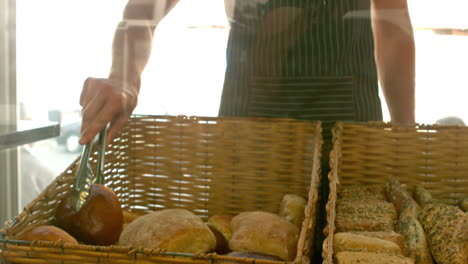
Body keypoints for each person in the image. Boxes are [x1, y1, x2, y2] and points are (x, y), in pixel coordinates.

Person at [78, 0, 415, 261]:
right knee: (233, 245)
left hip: (349, 125)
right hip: (249, 129)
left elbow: (392, 22)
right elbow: (142, 12)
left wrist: (405, 132)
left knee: (356, 248)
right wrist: (123, 77)